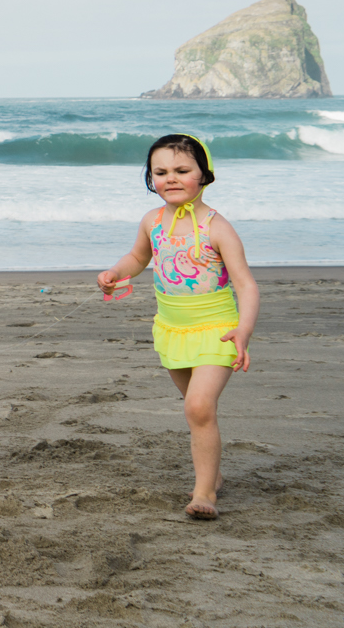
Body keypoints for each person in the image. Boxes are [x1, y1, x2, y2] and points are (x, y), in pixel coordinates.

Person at [96, 134, 259, 519]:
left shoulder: (217, 227)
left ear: (205, 175)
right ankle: (213, 474)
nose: (171, 178)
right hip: (171, 330)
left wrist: (244, 331)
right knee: (194, 408)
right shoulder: (153, 221)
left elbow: (246, 284)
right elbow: (138, 257)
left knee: (200, 407)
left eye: (182, 170)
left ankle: (204, 493)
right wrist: (116, 272)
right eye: (161, 172)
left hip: (217, 328)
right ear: (151, 179)